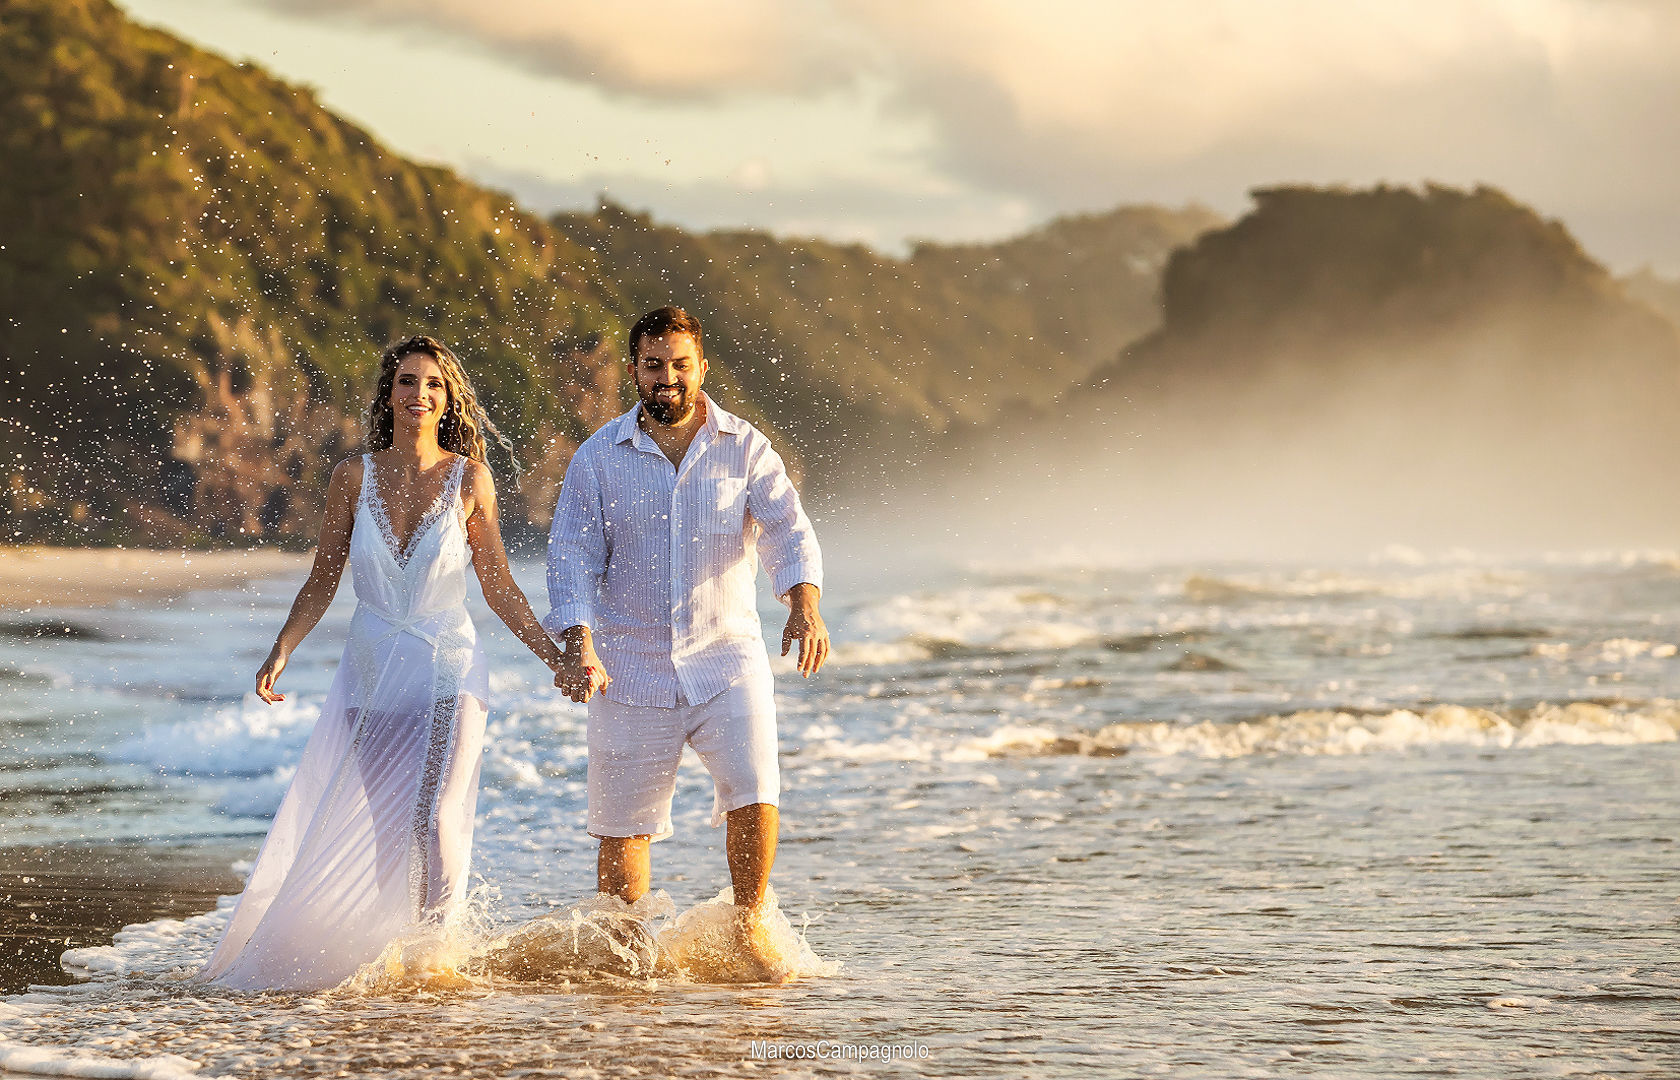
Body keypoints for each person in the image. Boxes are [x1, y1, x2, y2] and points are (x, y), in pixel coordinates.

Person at [199, 335, 604, 991]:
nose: (421, 394)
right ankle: (397, 959)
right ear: (389, 394)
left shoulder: (470, 479)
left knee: (435, 817)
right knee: (391, 830)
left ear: (448, 399)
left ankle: (436, 960)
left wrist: (554, 655)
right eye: (408, 381)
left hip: (449, 664)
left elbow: (498, 584)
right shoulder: (352, 477)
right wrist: (282, 649)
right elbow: (323, 578)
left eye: (434, 384)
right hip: (371, 669)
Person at [544, 306, 828, 981]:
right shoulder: (597, 458)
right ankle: (628, 957)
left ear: (702, 367)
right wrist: (579, 642)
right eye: (653, 365)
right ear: (634, 371)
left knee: (755, 790)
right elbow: (571, 557)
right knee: (624, 824)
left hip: (726, 658)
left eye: (680, 365)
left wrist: (804, 607)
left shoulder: (743, 446)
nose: (667, 378)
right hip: (628, 668)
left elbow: (788, 528)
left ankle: (750, 927)